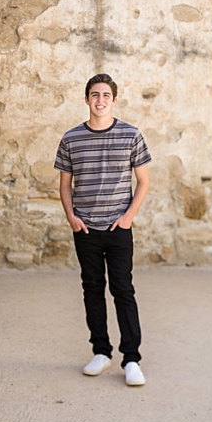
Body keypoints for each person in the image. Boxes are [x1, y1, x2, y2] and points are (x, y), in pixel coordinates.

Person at [55, 73, 152, 387]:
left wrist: (128, 217)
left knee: (123, 290)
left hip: (118, 227)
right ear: (86, 99)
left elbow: (144, 181)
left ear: (114, 100)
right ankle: (101, 352)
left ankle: (131, 359)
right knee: (92, 289)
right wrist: (71, 216)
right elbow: (65, 185)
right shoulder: (71, 139)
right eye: (94, 95)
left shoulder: (131, 135)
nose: (100, 100)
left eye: (105, 95)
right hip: (85, 228)